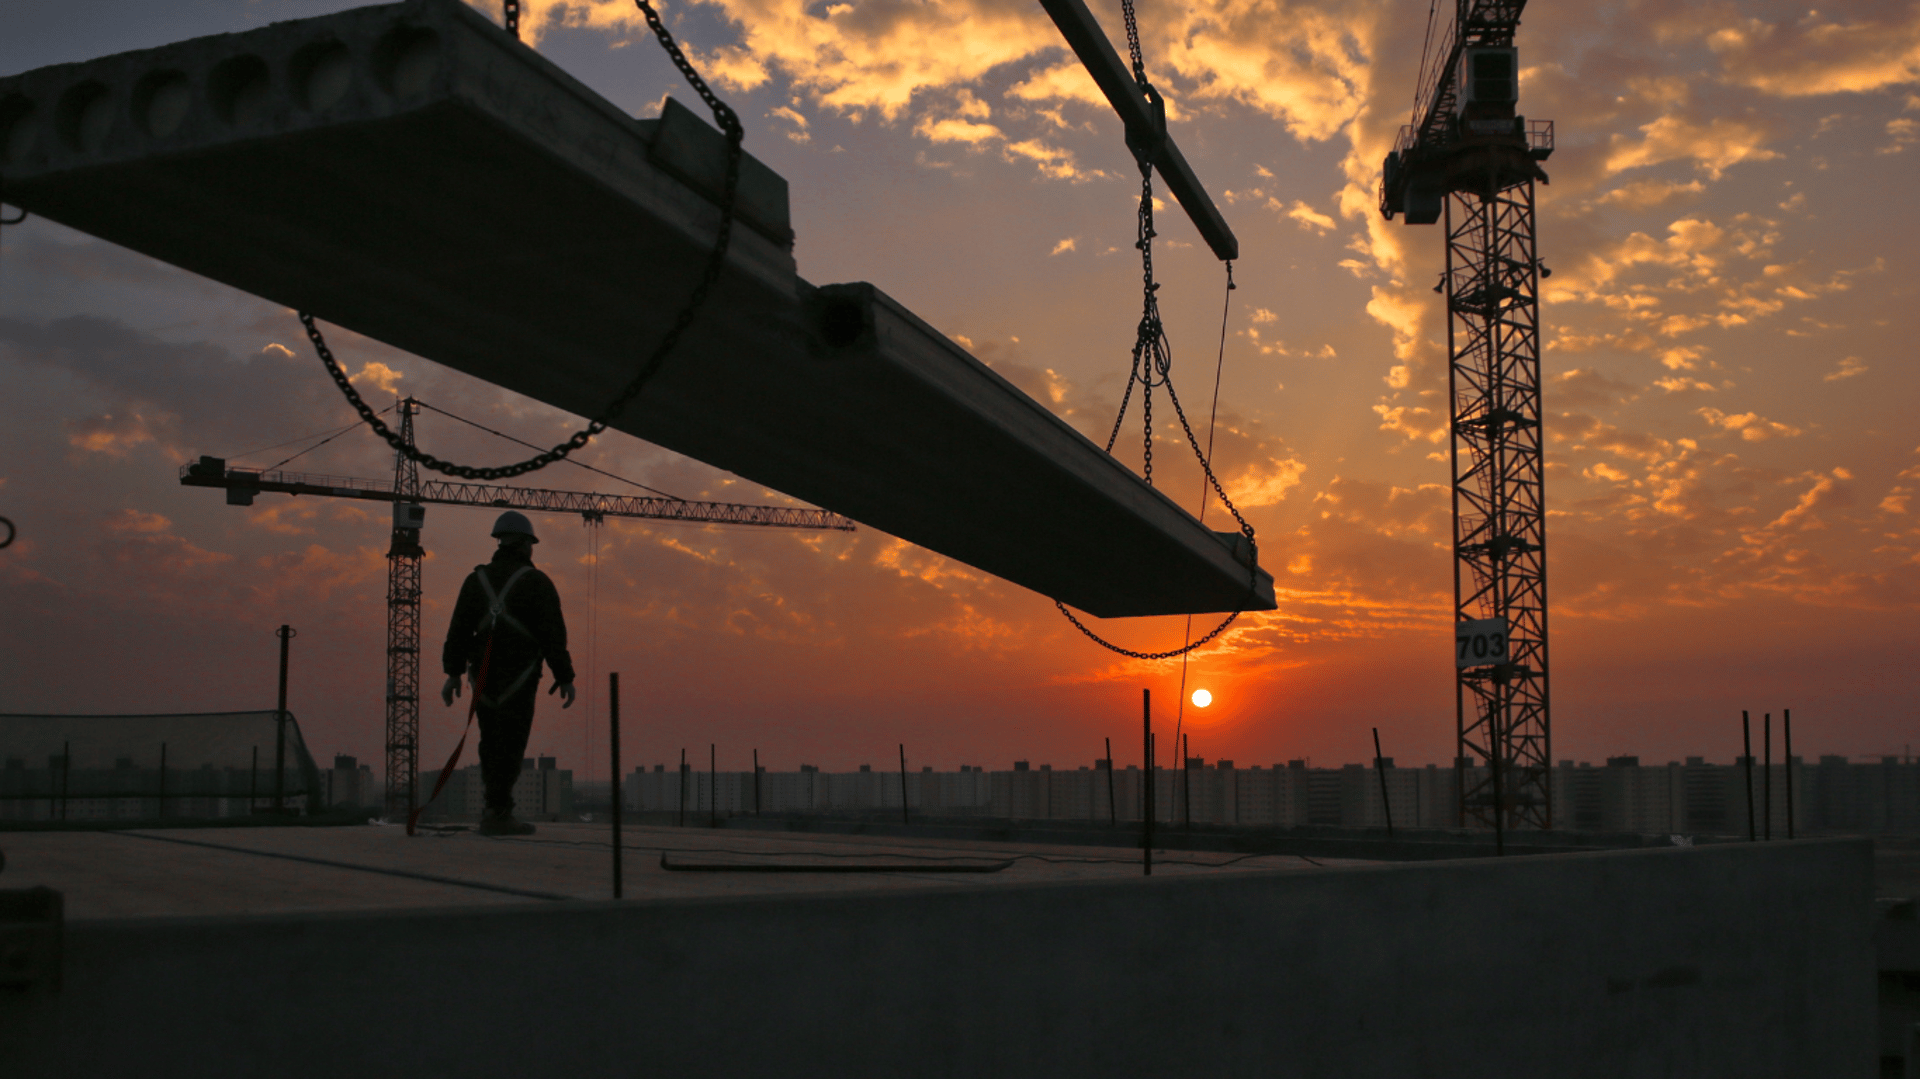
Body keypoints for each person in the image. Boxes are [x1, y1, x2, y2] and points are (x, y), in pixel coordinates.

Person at [440, 511, 576, 836]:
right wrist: (565, 676)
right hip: (520, 676)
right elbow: (553, 635)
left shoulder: (476, 581)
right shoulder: (537, 582)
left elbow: (458, 630)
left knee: (490, 743)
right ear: (527, 545)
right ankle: (499, 813)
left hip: (483, 677)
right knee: (511, 743)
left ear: (498, 542)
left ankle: (494, 808)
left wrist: (453, 674)